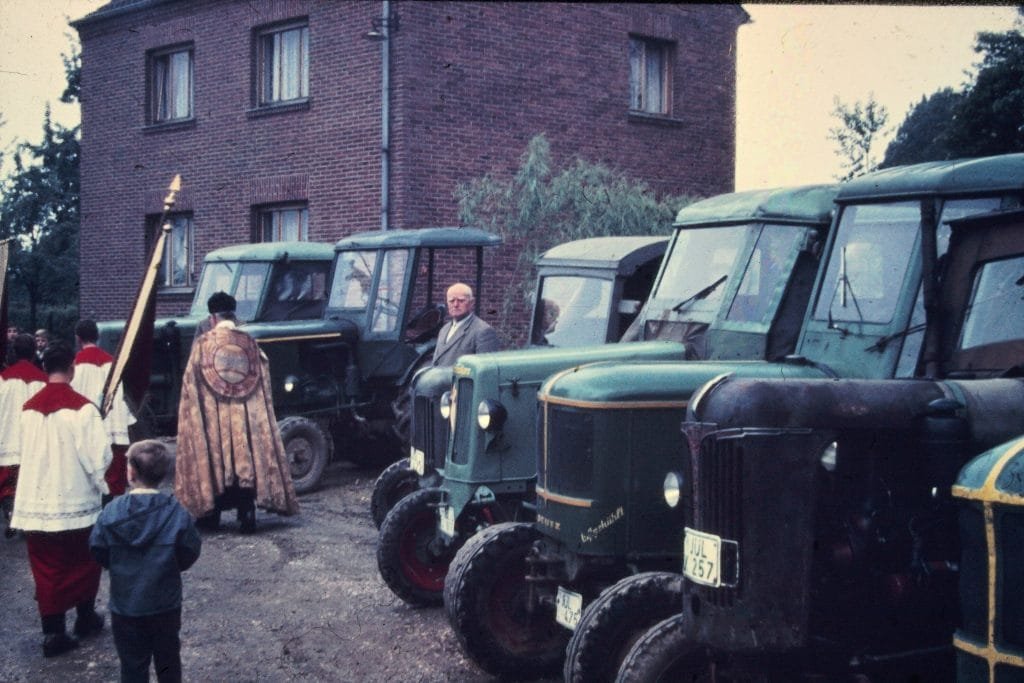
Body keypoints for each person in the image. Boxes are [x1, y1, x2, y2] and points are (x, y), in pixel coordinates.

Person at [9, 341, 110, 658]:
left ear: (44, 369)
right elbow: (98, 457)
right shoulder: (83, 409)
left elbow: (20, 453)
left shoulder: (27, 410)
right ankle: (84, 618)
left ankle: (53, 631)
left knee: (46, 566)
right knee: (83, 560)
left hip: (37, 502)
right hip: (75, 497)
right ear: (72, 368)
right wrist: (101, 485)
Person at [174, 292, 299, 533]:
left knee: (216, 458)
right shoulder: (251, 343)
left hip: (213, 418)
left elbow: (191, 384)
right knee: (245, 457)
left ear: (212, 318)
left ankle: (211, 515)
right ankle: (247, 511)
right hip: (245, 417)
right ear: (234, 315)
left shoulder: (202, 345)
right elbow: (263, 384)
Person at [90, 440, 201, 683]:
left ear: (130, 472)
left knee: (132, 666)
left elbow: (97, 548)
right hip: (165, 604)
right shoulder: (176, 512)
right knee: (168, 663)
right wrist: (172, 565)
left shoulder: (111, 512)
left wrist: (117, 565)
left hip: (126, 605)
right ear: (163, 475)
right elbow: (190, 550)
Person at [72, 319, 137, 499]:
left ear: (78, 338)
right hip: (112, 426)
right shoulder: (113, 363)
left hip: (87, 426)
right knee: (111, 477)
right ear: (98, 336)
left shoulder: (74, 365)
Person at [0, 333, 47, 537]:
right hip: (34, 442)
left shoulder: (3, 379)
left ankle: (11, 514)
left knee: (9, 484)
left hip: (8, 438)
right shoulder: (44, 381)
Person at [431, 282, 500, 367]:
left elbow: (485, 371)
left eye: (461, 300)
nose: (455, 305)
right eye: (451, 301)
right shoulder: (444, 330)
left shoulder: (483, 331)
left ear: (472, 302)